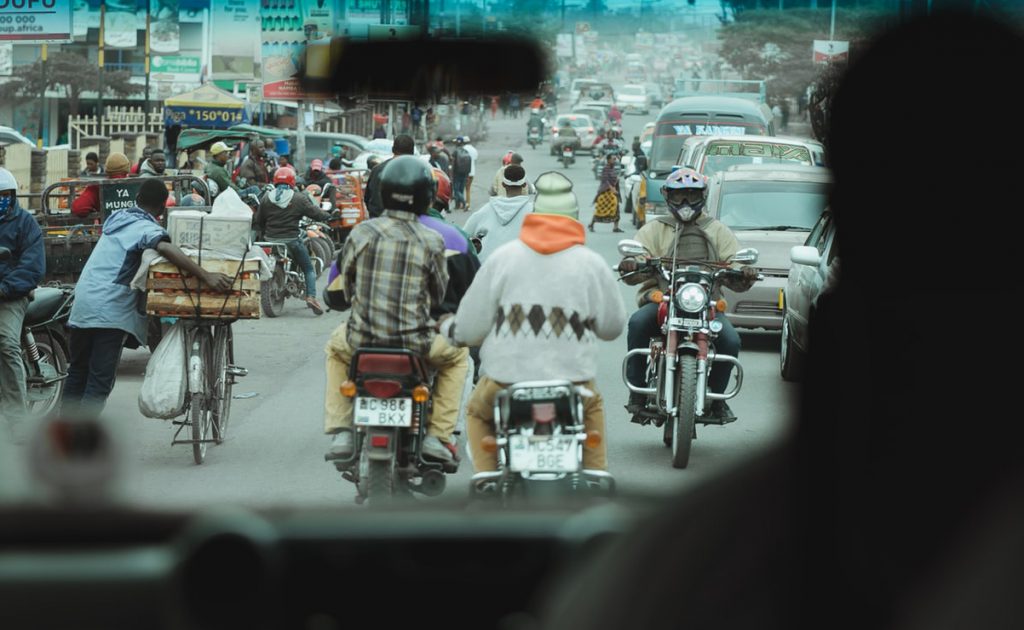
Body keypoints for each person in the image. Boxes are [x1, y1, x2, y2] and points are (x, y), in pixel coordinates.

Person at [439, 169, 626, 474]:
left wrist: (453, 331)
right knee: (592, 409)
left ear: (535, 215)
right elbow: (613, 326)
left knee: (476, 412)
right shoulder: (591, 263)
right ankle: (595, 475)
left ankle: (486, 476)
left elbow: (471, 328)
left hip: (507, 379)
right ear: (575, 218)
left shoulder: (504, 258)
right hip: (573, 382)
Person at [323, 156, 469, 463]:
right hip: (417, 345)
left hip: (362, 341)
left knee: (335, 350)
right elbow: (438, 295)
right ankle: (438, 436)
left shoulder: (361, 233)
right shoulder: (432, 240)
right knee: (458, 357)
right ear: (427, 197)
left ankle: (342, 430)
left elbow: (344, 287)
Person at [61, 179, 233, 417]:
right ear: (162, 208)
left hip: (82, 304)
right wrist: (206, 276)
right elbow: (165, 248)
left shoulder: (117, 219)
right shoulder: (145, 228)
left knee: (78, 371)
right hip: (110, 311)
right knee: (99, 381)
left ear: (137, 199)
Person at [619, 168, 758, 424]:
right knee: (638, 323)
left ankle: (717, 399)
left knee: (731, 341)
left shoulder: (717, 230)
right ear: (667, 196)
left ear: (702, 197)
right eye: (679, 195)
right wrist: (631, 264)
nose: (685, 202)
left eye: (691, 196)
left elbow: (735, 262)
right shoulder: (654, 229)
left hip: (707, 306)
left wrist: (744, 272)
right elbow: (637, 259)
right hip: (664, 301)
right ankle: (637, 393)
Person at [253, 166, 331, 315]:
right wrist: (328, 215)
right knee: (308, 268)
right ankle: (311, 297)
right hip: (291, 241)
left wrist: (266, 232)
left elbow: (259, 221)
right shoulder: (298, 198)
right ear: (292, 181)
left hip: (270, 241)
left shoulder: (266, 198)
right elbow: (316, 213)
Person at [0, 167, 44, 423]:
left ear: (13, 195)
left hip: (11, 294)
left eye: (4, 194)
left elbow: (33, 267)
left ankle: (17, 420)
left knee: (5, 342)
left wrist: (5, 288)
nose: (1, 199)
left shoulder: (25, 223)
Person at [465, 164, 533, 262]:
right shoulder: (535, 212)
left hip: (489, 270)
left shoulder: (485, 210)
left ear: (503, 184)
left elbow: (463, 235)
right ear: (524, 185)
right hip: (522, 270)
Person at [364, 133, 415, 218]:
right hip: (406, 224)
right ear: (412, 152)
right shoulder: (418, 172)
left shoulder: (377, 170)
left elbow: (368, 198)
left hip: (377, 223)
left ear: (392, 149)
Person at [70, 152, 132, 217]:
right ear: (127, 168)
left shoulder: (98, 186)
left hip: (107, 226)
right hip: (134, 226)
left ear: (107, 170)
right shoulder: (135, 185)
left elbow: (78, 208)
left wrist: (94, 210)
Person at [590, 154, 623, 233]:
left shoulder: (613, 168)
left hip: (614, 191)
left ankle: (616, 227)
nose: (614, 161)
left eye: (615, 159)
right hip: (606, 192)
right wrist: (612, 189)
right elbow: (605, 180)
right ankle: (592, 224)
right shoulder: (606, 168)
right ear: (608, 160)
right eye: (613, 159)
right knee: (602, 209)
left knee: (616, 209)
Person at [450, 137, 473, 211]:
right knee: (461, 190)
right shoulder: (466, 151)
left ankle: (464, 203)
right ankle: (457, 205)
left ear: (457, 143)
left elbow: (453, 164)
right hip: (465, 173)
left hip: (456, 173)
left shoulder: (455, 152)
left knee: (456, 190)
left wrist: (451, 174)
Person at [461, 136, 479, 210]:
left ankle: (464, 204)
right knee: (468, 189)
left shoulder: (463, 149)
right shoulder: (474, 150)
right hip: (472, 171)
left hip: (464, 172)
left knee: (462, 188)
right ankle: (468, 203)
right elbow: (475, 159)